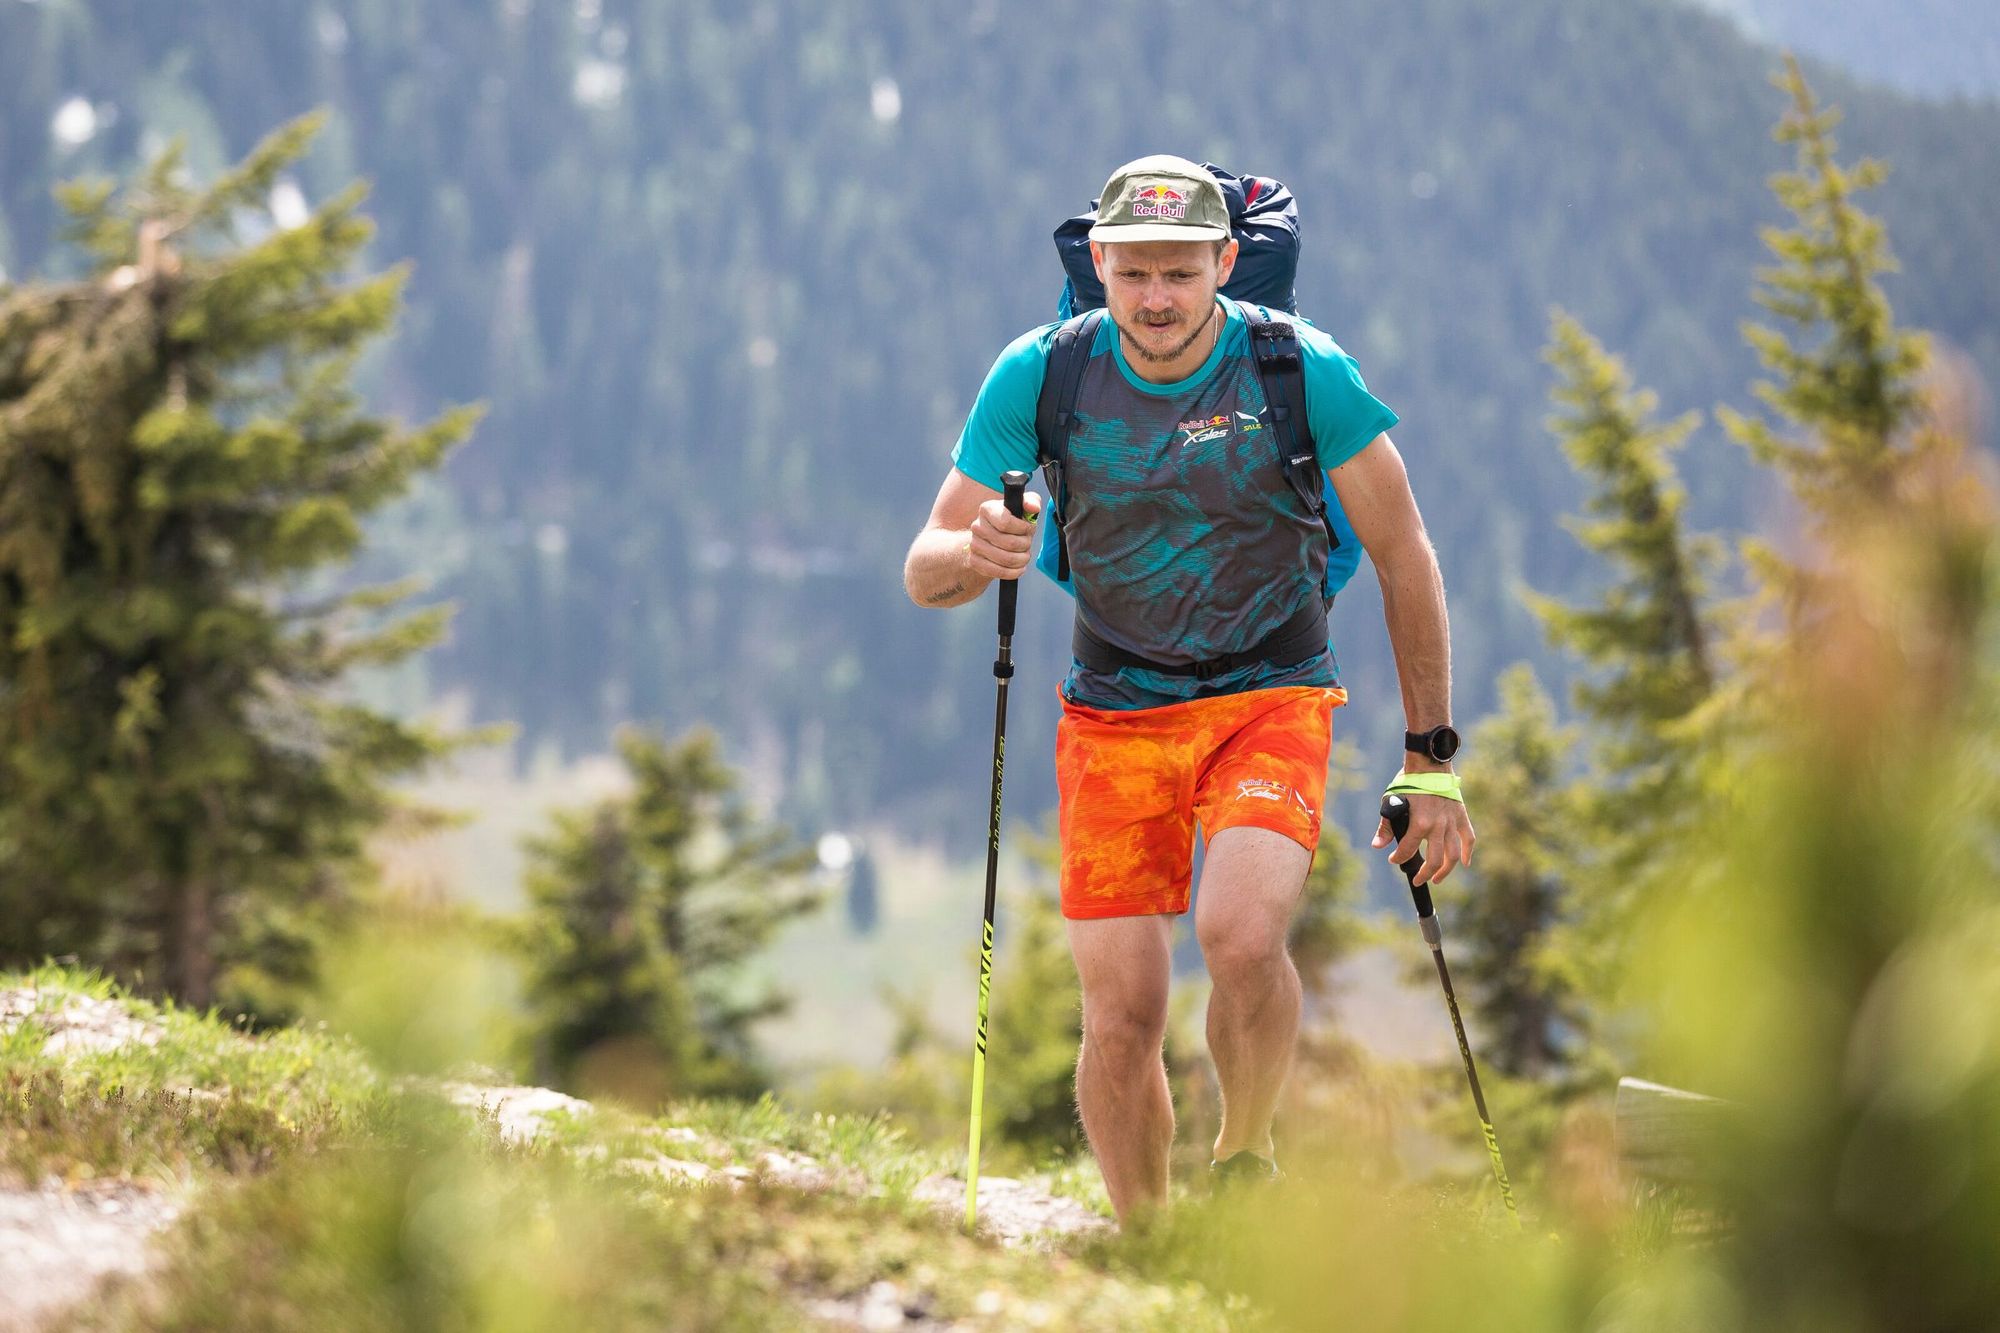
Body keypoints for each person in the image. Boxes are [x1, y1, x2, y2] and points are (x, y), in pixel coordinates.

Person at [903, 155, 1476, 1225]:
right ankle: (1150, 1241)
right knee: (1118, 1013)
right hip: (1113, 708)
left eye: (1179, 272)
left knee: (1241, 934)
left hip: (1272, 690)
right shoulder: (1039, 374)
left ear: (1225, 263)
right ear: (1100, 267)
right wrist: (976, 549)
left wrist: (1429, 760)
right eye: (1133, 274)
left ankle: (1245, 1157)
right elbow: (923, 567)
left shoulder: (1300, 369)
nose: (1156, 299)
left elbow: (1403, 553)